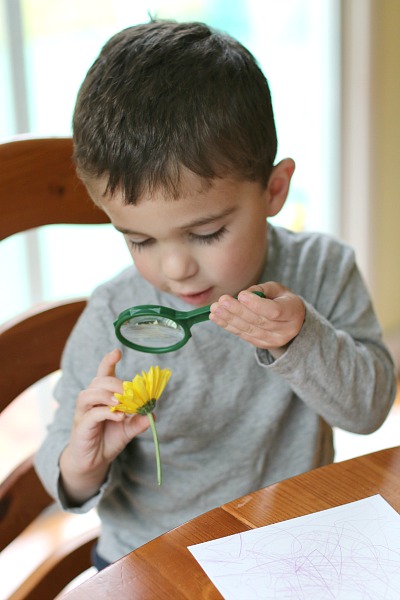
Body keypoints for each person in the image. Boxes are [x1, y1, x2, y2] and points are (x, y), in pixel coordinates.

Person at [35, 19, 396, 570]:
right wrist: (83, 463)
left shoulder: (322, 270)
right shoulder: (114, 315)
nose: (175, 267)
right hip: (152, 560)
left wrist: (303, 340)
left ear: (274, 190)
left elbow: (369, 410)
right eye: (139, 240)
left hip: (289, 548)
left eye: (206, 233)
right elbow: (63, 464)